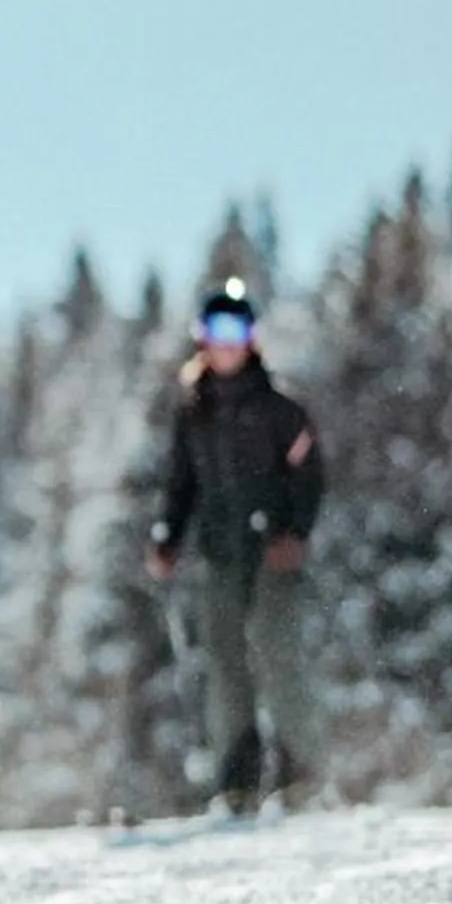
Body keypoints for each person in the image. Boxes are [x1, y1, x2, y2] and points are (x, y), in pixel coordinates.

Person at [146, 280, 328, 816]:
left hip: (274, 553)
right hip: (219, 552)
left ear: (252, 340)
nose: (227, 343)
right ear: (202, 340)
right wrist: (168, 537)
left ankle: (301, 775)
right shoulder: (193, 413)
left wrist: (294, 531)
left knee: (278, 653)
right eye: (216, 331)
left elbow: (311, 478)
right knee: (225, 663)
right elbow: (181, 484)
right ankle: (237, 782)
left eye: (238, 331)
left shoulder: (281, 409)